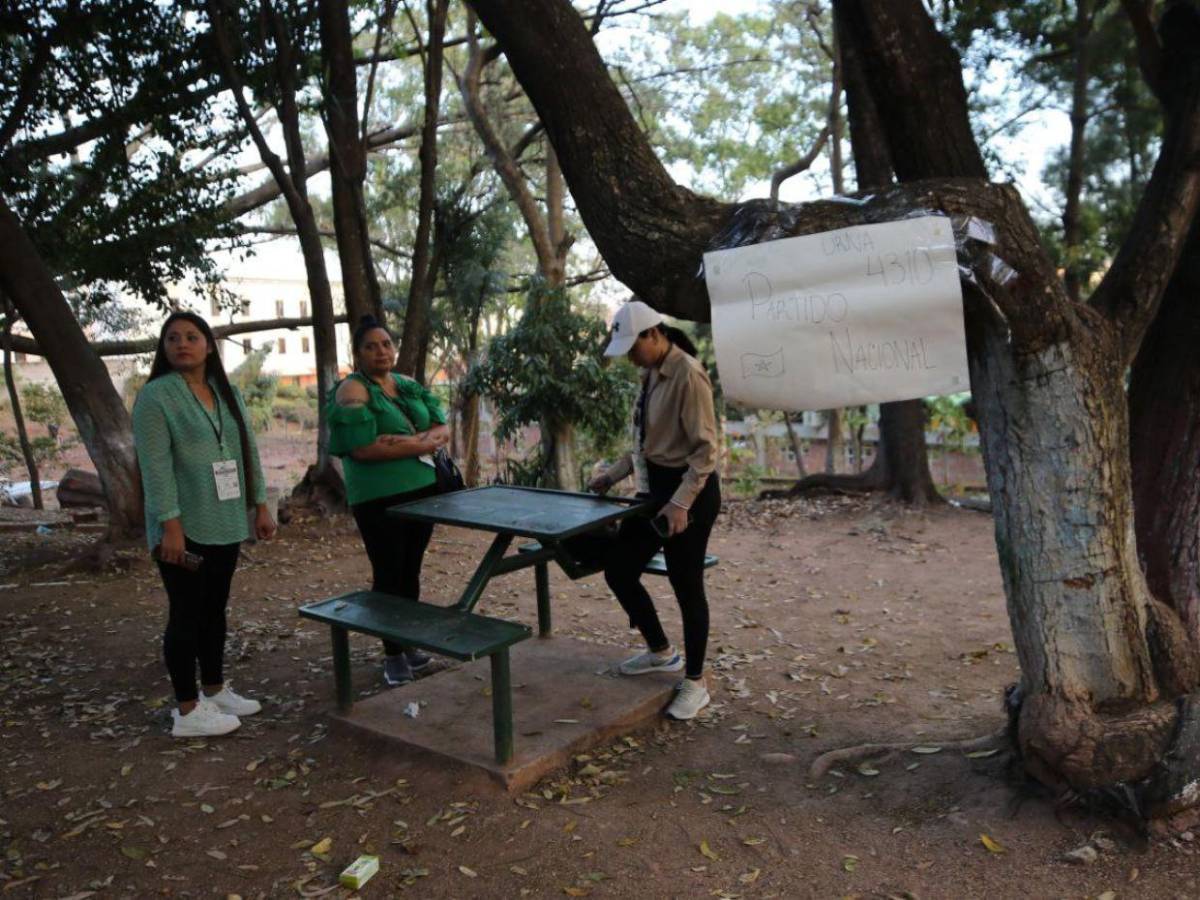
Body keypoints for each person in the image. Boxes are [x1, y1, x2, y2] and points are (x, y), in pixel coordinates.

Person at [133, 312, 276, 738]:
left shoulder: (224, 391)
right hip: (183, 524)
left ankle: (213, 689)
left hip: (226, 518)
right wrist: (169, 525)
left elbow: (246, 447)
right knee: (186, 613)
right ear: (163, 348)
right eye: (172, 338)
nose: (181, 344)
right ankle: (187, 709)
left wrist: (261, 505)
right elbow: (155, 467)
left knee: (214, 610)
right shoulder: (156, 397)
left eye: (192, 337)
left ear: (209, 346)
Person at [589, 299, 721, 720]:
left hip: (689, 493)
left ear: (654, 334)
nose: (630, 358)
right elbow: (645, 444)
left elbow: (706, 451)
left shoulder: (687, 373)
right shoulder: (650, 375)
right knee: (619, 569)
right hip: (655, 492)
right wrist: (611, 475)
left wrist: (681, 503)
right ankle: (661, 651)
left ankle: (696, 683)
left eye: (633, 348)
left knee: (686, 585)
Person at [328, 315, 450, 687]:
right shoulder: (352, 391)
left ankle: (408, 643)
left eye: (385, 344)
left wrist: (403, 443)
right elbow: (363, 449)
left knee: (410, 570)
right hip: (379, 500)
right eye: (370, 346)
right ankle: (393, 655)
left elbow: (443, 427)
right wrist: (421, 443)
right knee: (388, 573)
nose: (381, 351)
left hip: (423, 492)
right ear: (358, 353)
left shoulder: (408, 385)